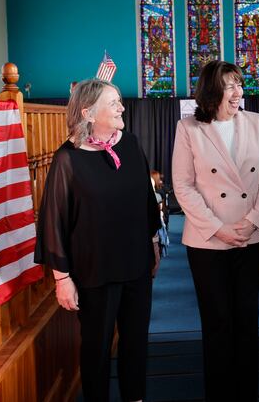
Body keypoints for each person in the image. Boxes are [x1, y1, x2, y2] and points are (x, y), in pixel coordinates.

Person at [34, 78, 161, 402]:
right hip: (94, 274)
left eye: (119, 101)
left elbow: (146, 201)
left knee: (136, 344)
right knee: (97, 349)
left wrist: (154, 246)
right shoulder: (68, 158)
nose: (121, 107)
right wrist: (62, 278)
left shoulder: (130, 144)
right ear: (89, 112)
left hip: (136, 266)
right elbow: (54, 221)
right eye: (113, 103)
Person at [172, 60, 259, 402]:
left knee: (247, 321)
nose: (238, 92)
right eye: (230, 86)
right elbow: (183, 185)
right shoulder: (188, 128)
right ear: (211, 91)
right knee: (217, 323)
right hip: (207, 242)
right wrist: (218, 228)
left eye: (239, 84)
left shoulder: (257, 122)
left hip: (251, 237)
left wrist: (251, 222)